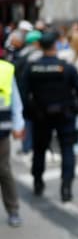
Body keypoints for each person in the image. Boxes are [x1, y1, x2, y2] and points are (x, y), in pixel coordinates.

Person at [19, 31, 78, 203]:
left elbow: (23, 94)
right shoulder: (67, 68)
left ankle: (38, 181)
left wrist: (27, 114)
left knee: (39, 150)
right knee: (67, 149)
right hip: (64, 115)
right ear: (55, 46)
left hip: (40, 116)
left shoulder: (32, 68)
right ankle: (66, 187)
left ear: (40, 47)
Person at [0, 58, 25, 226]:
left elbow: (16, 100)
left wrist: (18, 125)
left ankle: (13, 209)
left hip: (1, 131)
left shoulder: (5, 69)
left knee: (3, 170)